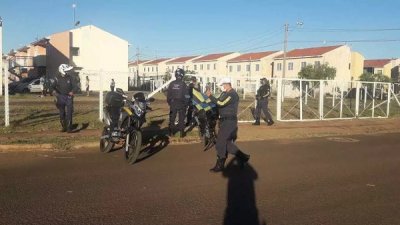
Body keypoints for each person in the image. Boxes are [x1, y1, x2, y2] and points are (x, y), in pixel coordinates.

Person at [206, 77, 250, 173]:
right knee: (227, 144)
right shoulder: (224, 93)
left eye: (223, 85)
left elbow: (221, 103)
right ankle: (244, 157)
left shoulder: (232, 94)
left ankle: (220, 164)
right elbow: (218, 104)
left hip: (229, 122)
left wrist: (210, 96)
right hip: (223, 121)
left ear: (227, 84)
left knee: (220, 143)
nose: (222, 87)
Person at [52, 64, 77, 132]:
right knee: (62, 113)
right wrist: (54, 92)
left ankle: (69, 128)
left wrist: (72, 91)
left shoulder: (71, 77)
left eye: (68, 70)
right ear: (62, 71)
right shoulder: (57, 78)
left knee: (69, 112)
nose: (68, 72)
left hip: (69, 97)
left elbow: (75, 87)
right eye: (66, 71)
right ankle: (64, 127)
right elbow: (52, 87)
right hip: (60, 97)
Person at [167, 68, 189, 138]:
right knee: (181, 119)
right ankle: (181, 133)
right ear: (182, 75)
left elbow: (168, 95)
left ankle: (171, 132)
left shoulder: (171, 83)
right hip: (181, 103)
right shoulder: (183, 84)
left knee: (172, 118)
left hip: (173, 103)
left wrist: (170, 102)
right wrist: (187, 103)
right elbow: (187, 95)